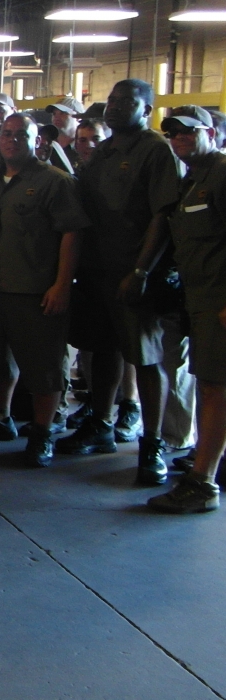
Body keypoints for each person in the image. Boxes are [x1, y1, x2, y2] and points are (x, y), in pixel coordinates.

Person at [57, 80, 182, 486]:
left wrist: (142, 271)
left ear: (146, 109)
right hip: (97, 271)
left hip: (132, 272)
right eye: (111, 100)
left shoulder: (154, 150)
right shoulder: (106, 150)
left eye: (126, 101)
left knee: (144, 359)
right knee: (102, 349)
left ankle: (154, 443)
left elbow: (162, 215)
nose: (114, 107)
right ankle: (100, 424)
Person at [0, 113, 89, 467]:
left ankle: (42, 434)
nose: (11, 140)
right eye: (5, 134)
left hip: (36, 291)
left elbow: (72, 233)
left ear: (36, 141)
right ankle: (1, 417)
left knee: (44, 368)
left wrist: (61, 284)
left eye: (20, 135)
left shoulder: (55, 182)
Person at [150, 106, 226, 512]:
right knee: (211, 384)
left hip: (219, 301)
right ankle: (210, 462)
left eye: (186, 132)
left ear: (209, 132)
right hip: (199, 298)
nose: (178, 139)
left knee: (215, 388)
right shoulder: (191, 181)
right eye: (172, 133)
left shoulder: (221, 175)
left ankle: (203, 484)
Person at [46, 97, 85, 167]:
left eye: (63, 113)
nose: (56, 117)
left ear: (79, 117)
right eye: (54, 114)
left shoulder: (85, 147)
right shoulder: (46, 145)